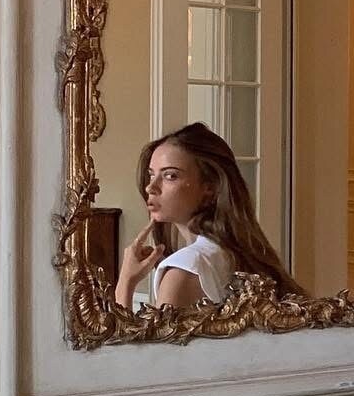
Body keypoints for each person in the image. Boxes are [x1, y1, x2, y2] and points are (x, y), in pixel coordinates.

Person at [114, 121, 301, 311]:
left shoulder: (183, 270)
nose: (150, 187)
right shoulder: (233, 254)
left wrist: (125, 282)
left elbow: (125, 333)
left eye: (170, 176)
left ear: (210, 187)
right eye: (151, 174)